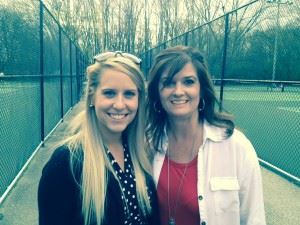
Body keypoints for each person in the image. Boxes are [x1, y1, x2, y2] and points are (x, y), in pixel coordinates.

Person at [146, 45, 266, 225]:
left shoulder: (236, 147)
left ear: (202, 89)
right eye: (169, 82)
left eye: (188, 82)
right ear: (158, 92)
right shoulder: (146, 144)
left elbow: (254, 219)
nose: (178, 91)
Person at [38, 51, 160, 225]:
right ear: (92, 97)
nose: (119, 104)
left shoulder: (142, 152)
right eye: (109, 93)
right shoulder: (66, 163)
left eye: (129, 94)